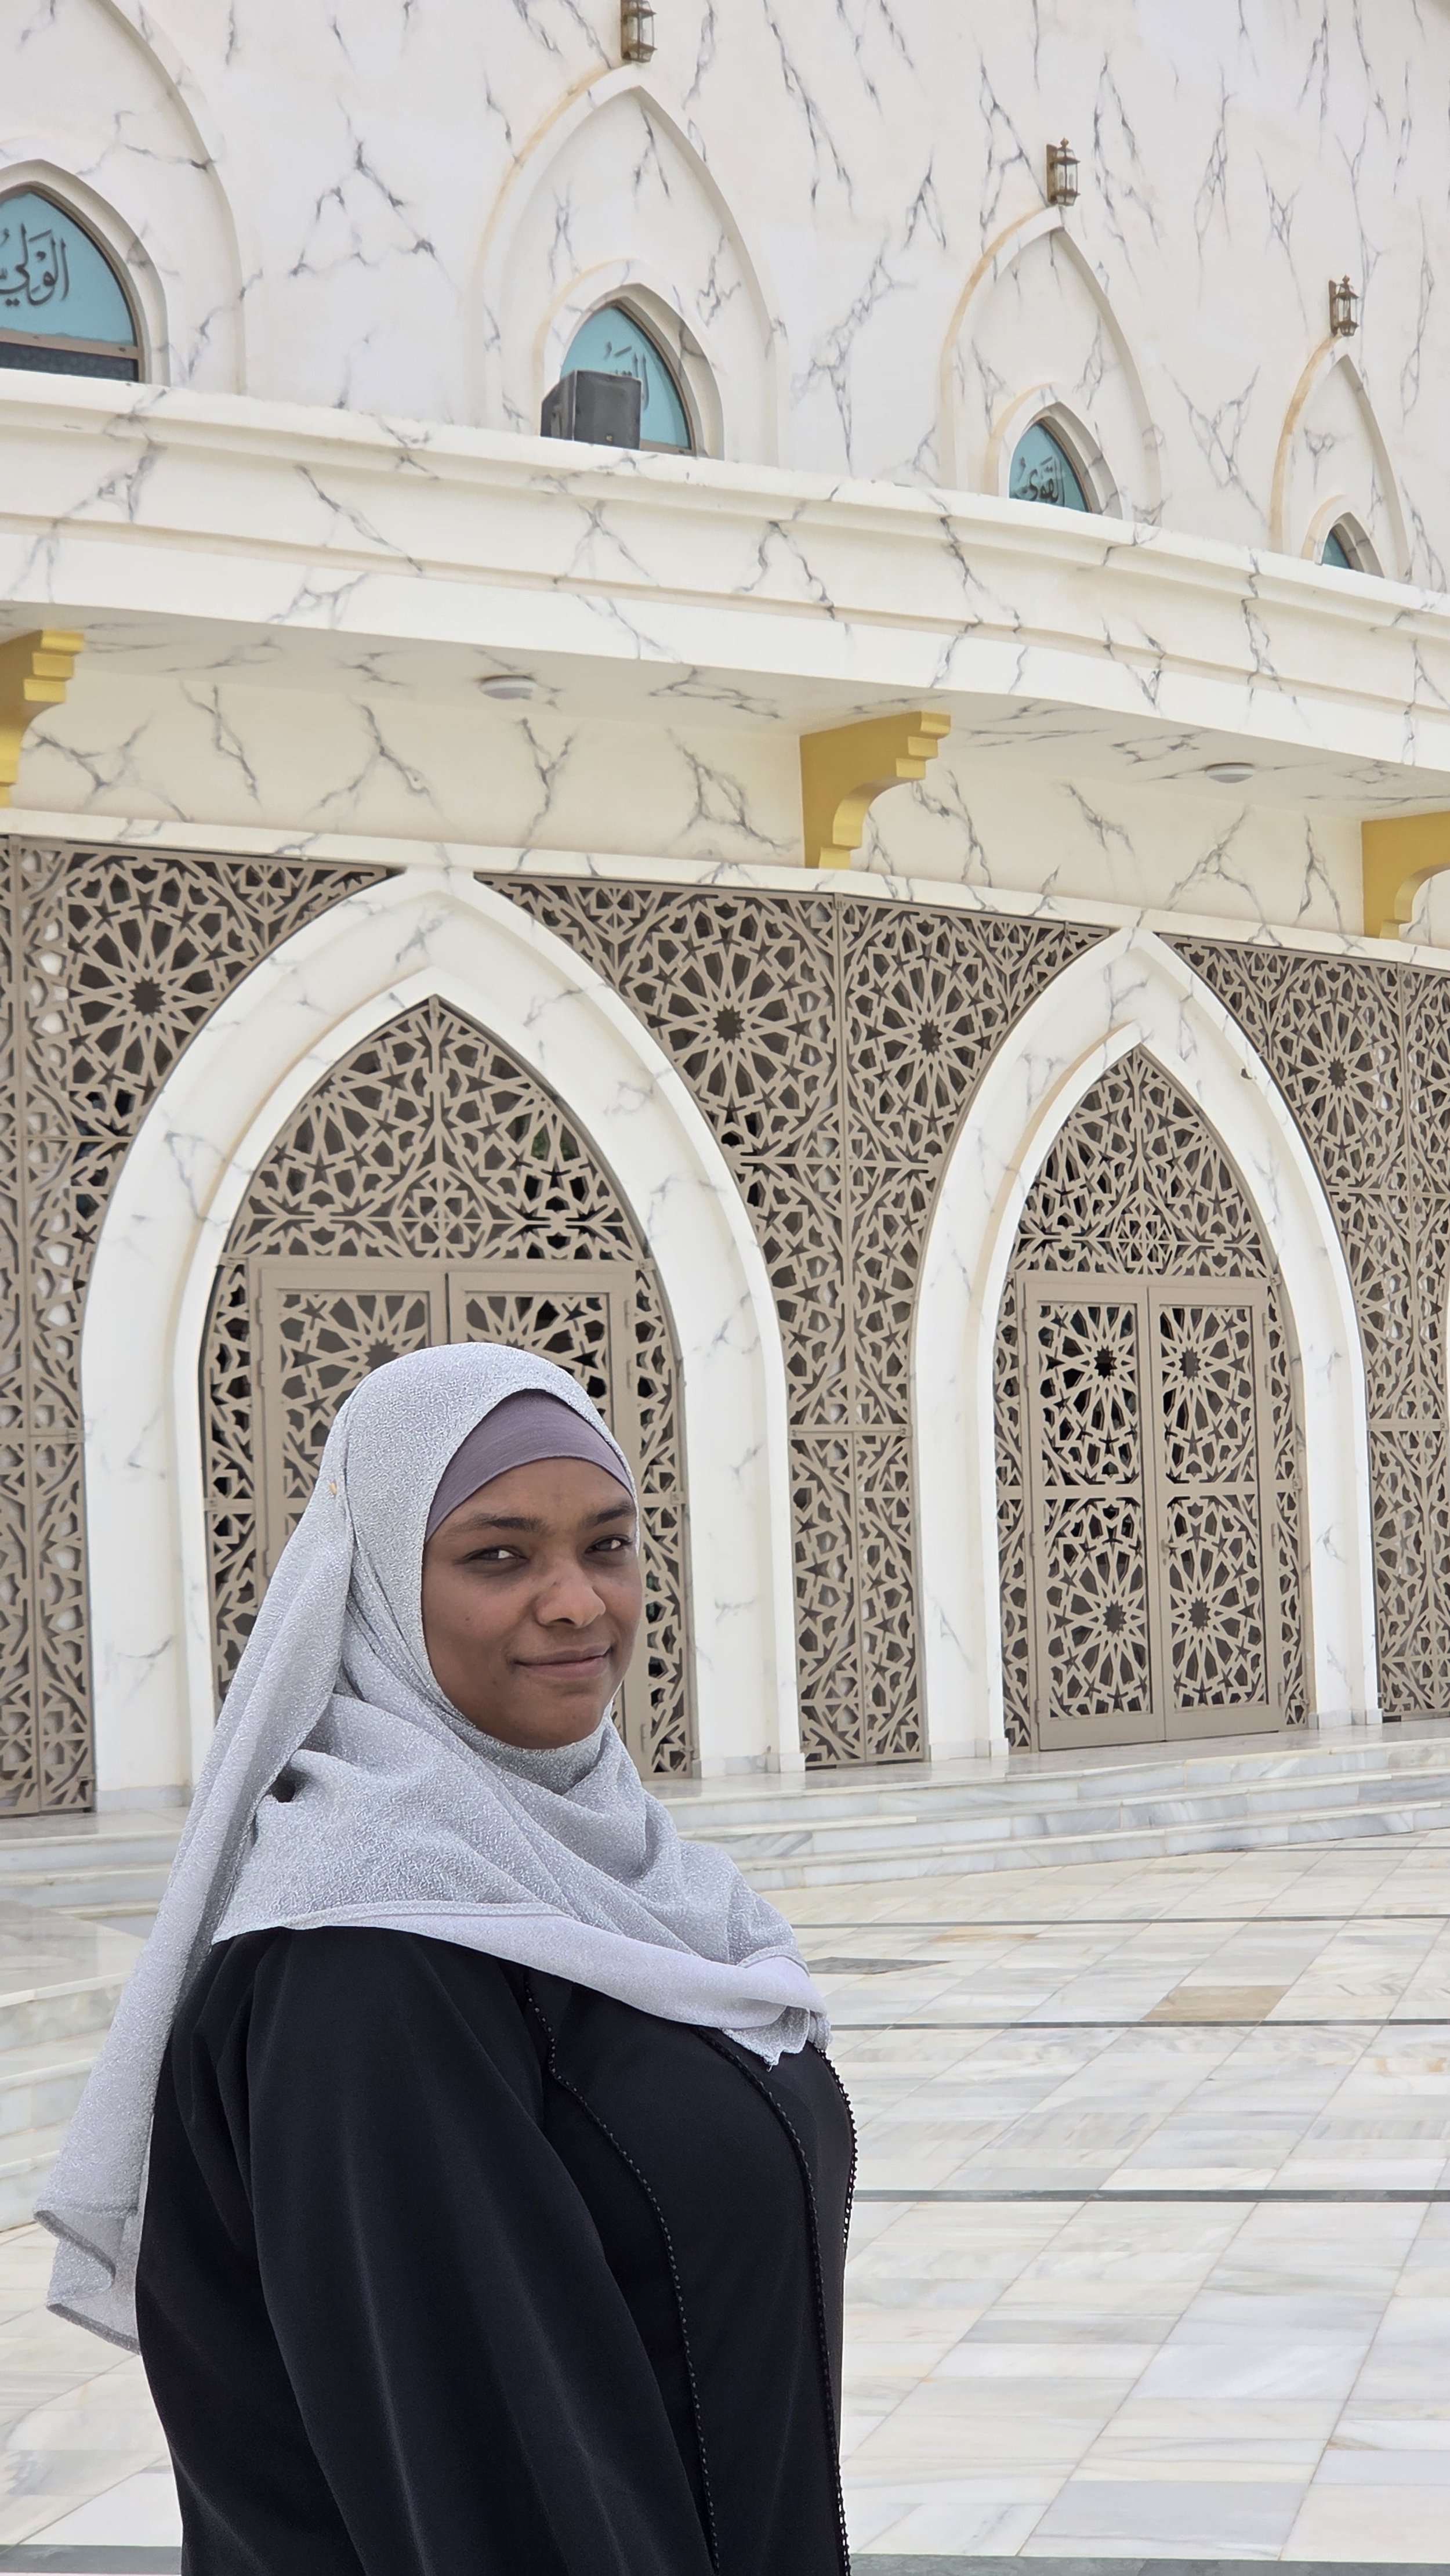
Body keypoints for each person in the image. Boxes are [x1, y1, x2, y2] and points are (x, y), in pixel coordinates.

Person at [39, 1343, 853, 2576]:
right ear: (373, 1590)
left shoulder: (625, 1881)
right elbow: (490, 2495)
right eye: (498, 1556)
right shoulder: (364, 1972)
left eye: (608, 1544)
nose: (579, 1601)